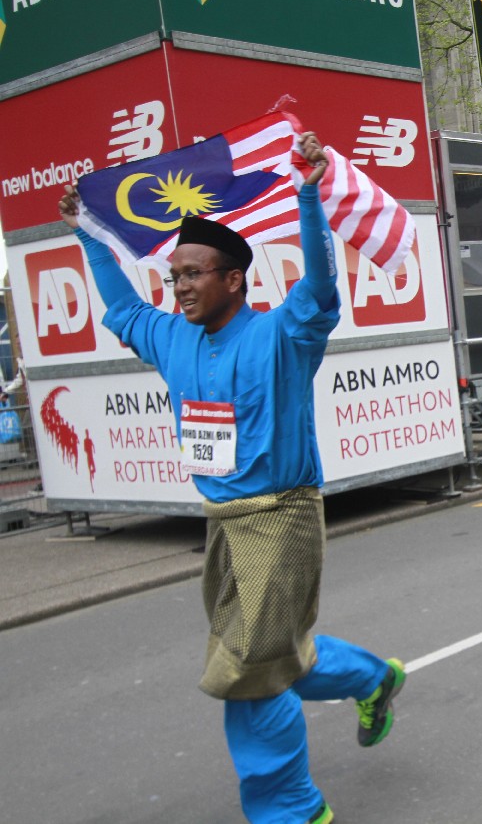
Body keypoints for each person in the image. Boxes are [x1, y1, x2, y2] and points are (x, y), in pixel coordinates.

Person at [58, 133, 404, 824]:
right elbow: (124, 309)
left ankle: (292, 810)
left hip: (281, 517)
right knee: (275, 654)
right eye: (174, 277)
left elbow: (320, 290)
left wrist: (308, 194)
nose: (180, 286)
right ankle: (374, 677)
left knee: (250, 670)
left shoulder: (284, 335)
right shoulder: (173, 337)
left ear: (234, 279)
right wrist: (86, 232)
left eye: (193, 273)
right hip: (221, 521)